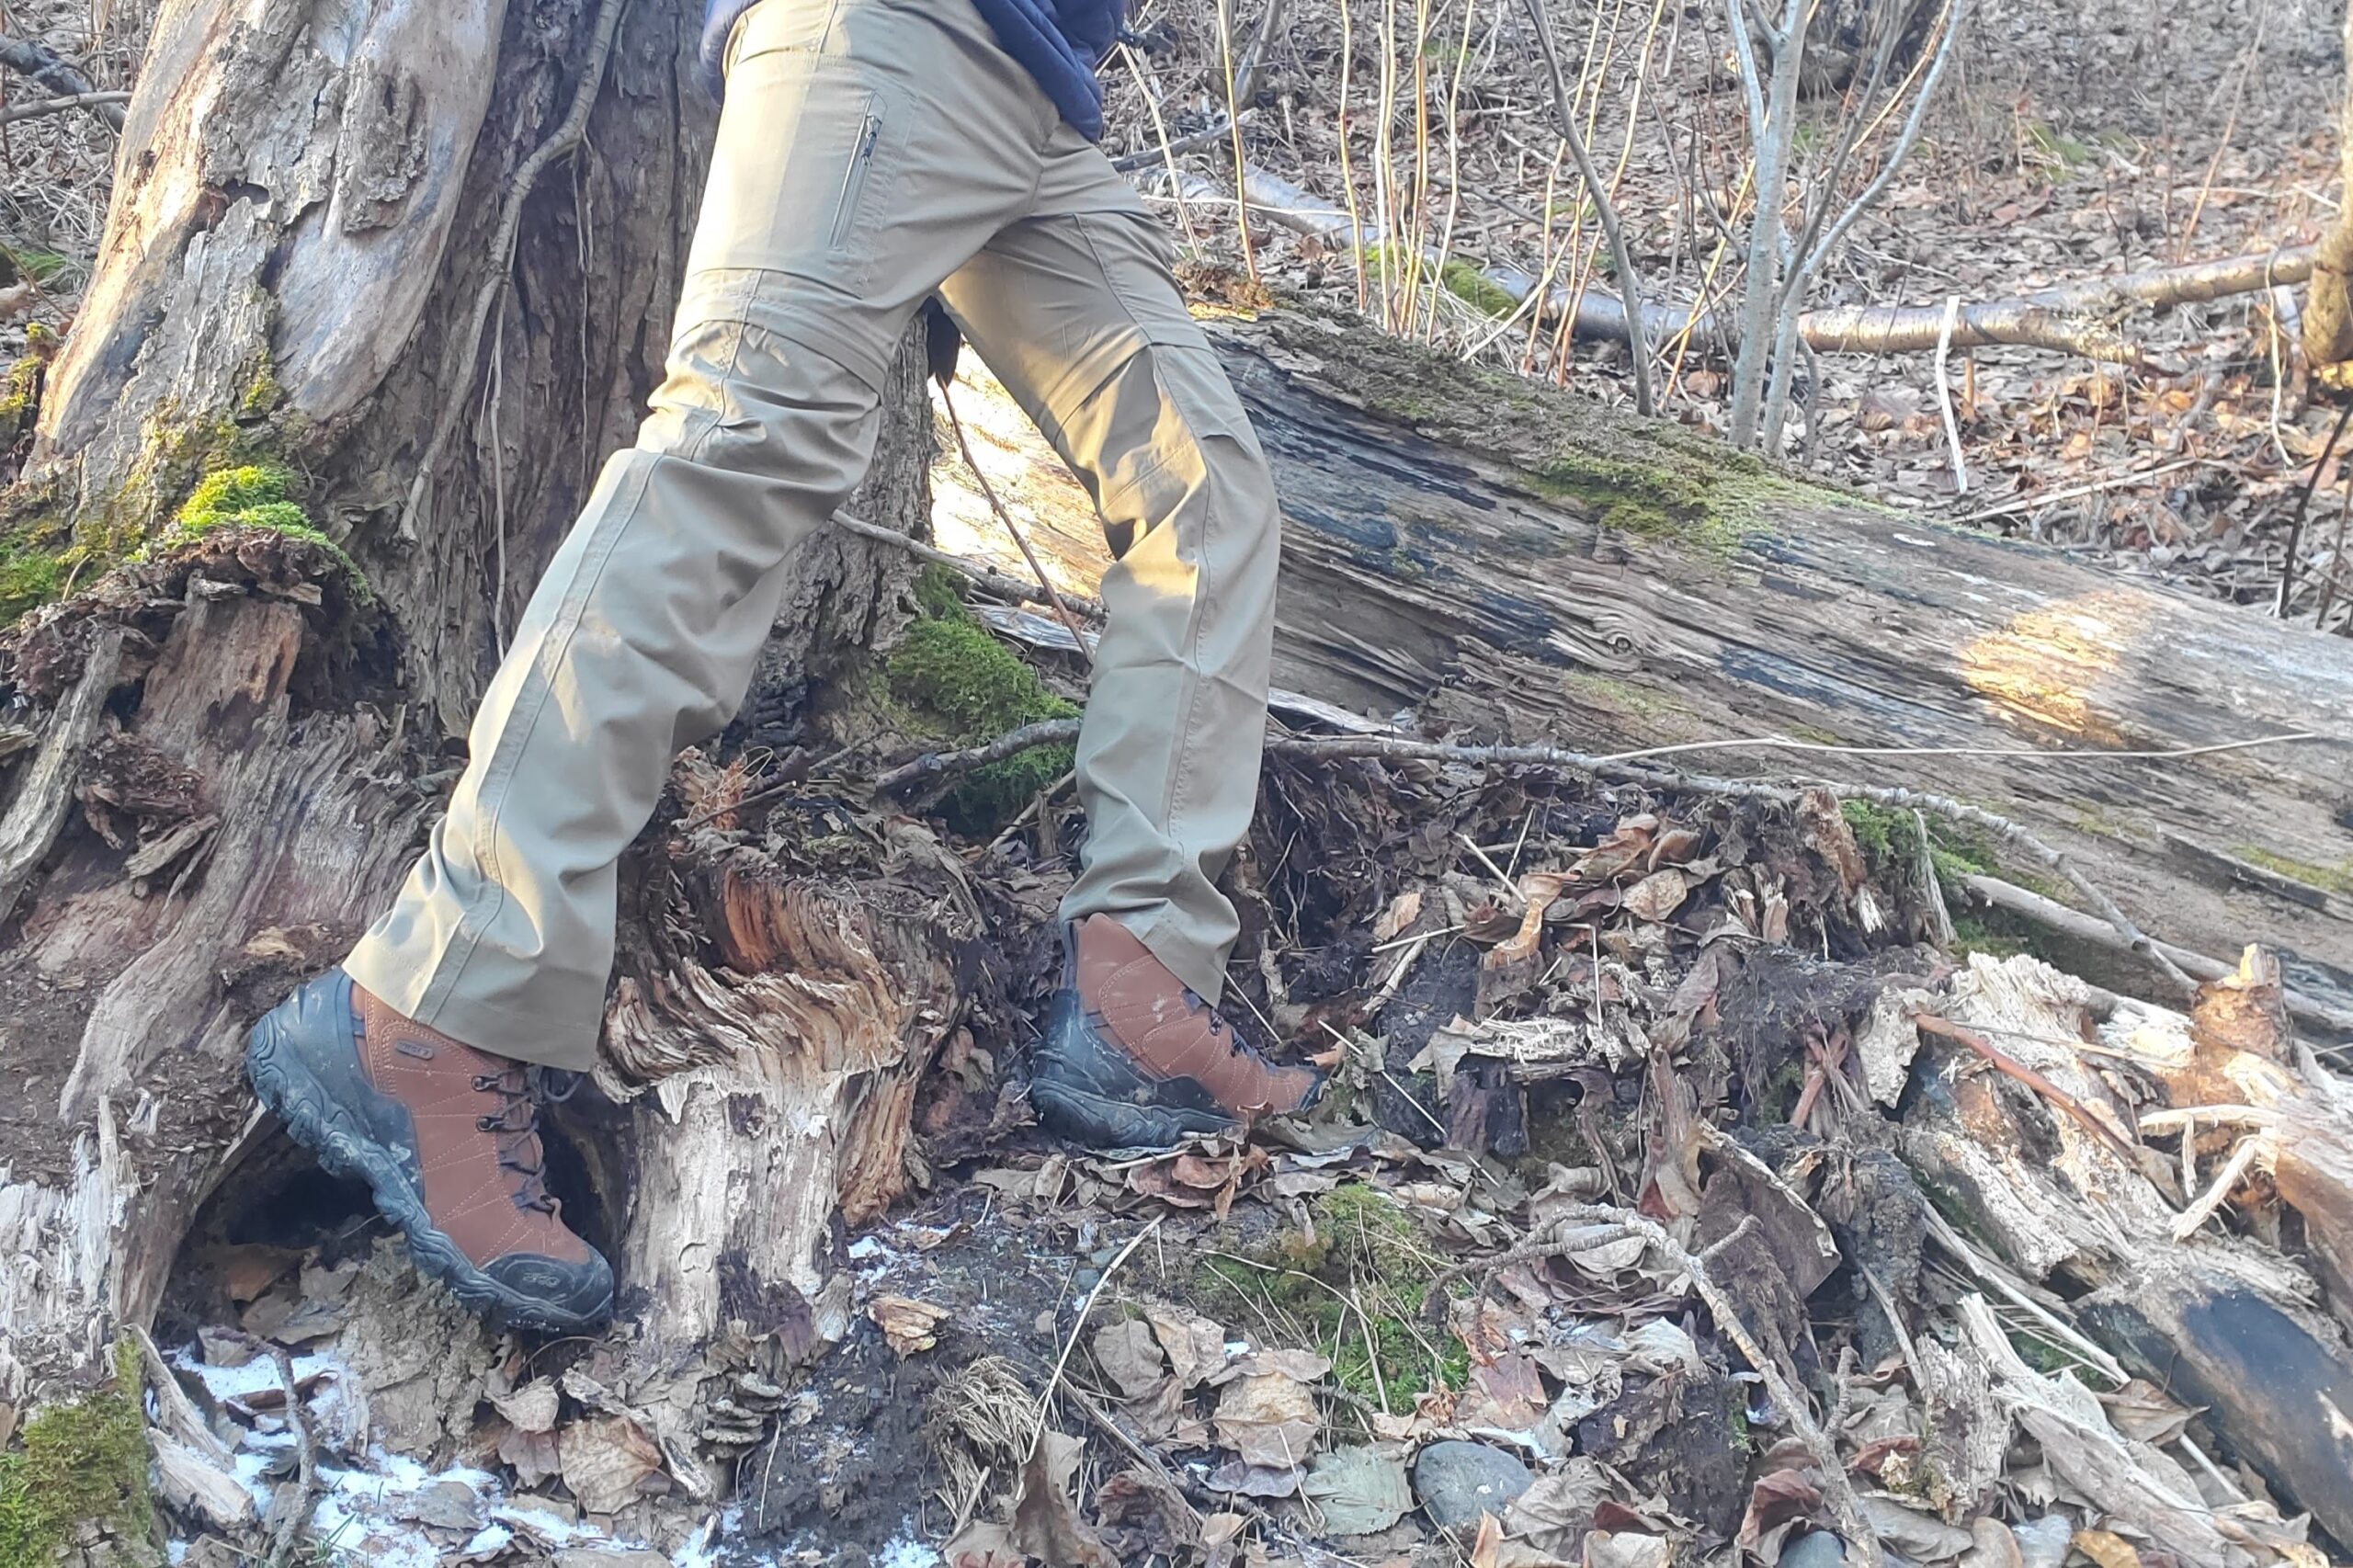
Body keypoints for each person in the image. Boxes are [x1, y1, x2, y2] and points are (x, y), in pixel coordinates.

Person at [242, 0, 1324, 1336]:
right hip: (892, 35)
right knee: (735, 452)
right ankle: (434, 997)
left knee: (1206, 493)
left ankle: (1140, 983)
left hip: (1036, 91)